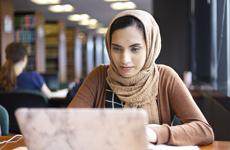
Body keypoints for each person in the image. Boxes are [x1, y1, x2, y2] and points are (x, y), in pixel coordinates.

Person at [68, 10, 214, 145]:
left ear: (150, 47)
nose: (124, 59)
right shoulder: (99, 76)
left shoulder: (165, 77)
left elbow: (204, 130)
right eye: (116, 48)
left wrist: (154, 133)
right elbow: (66, 124)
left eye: (135, 49)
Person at [0, 42, 67, 98]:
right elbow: (50, 96)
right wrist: (66, 92)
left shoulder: (1, 78)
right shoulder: (33, 77)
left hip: (7, 114)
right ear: (24, 59)